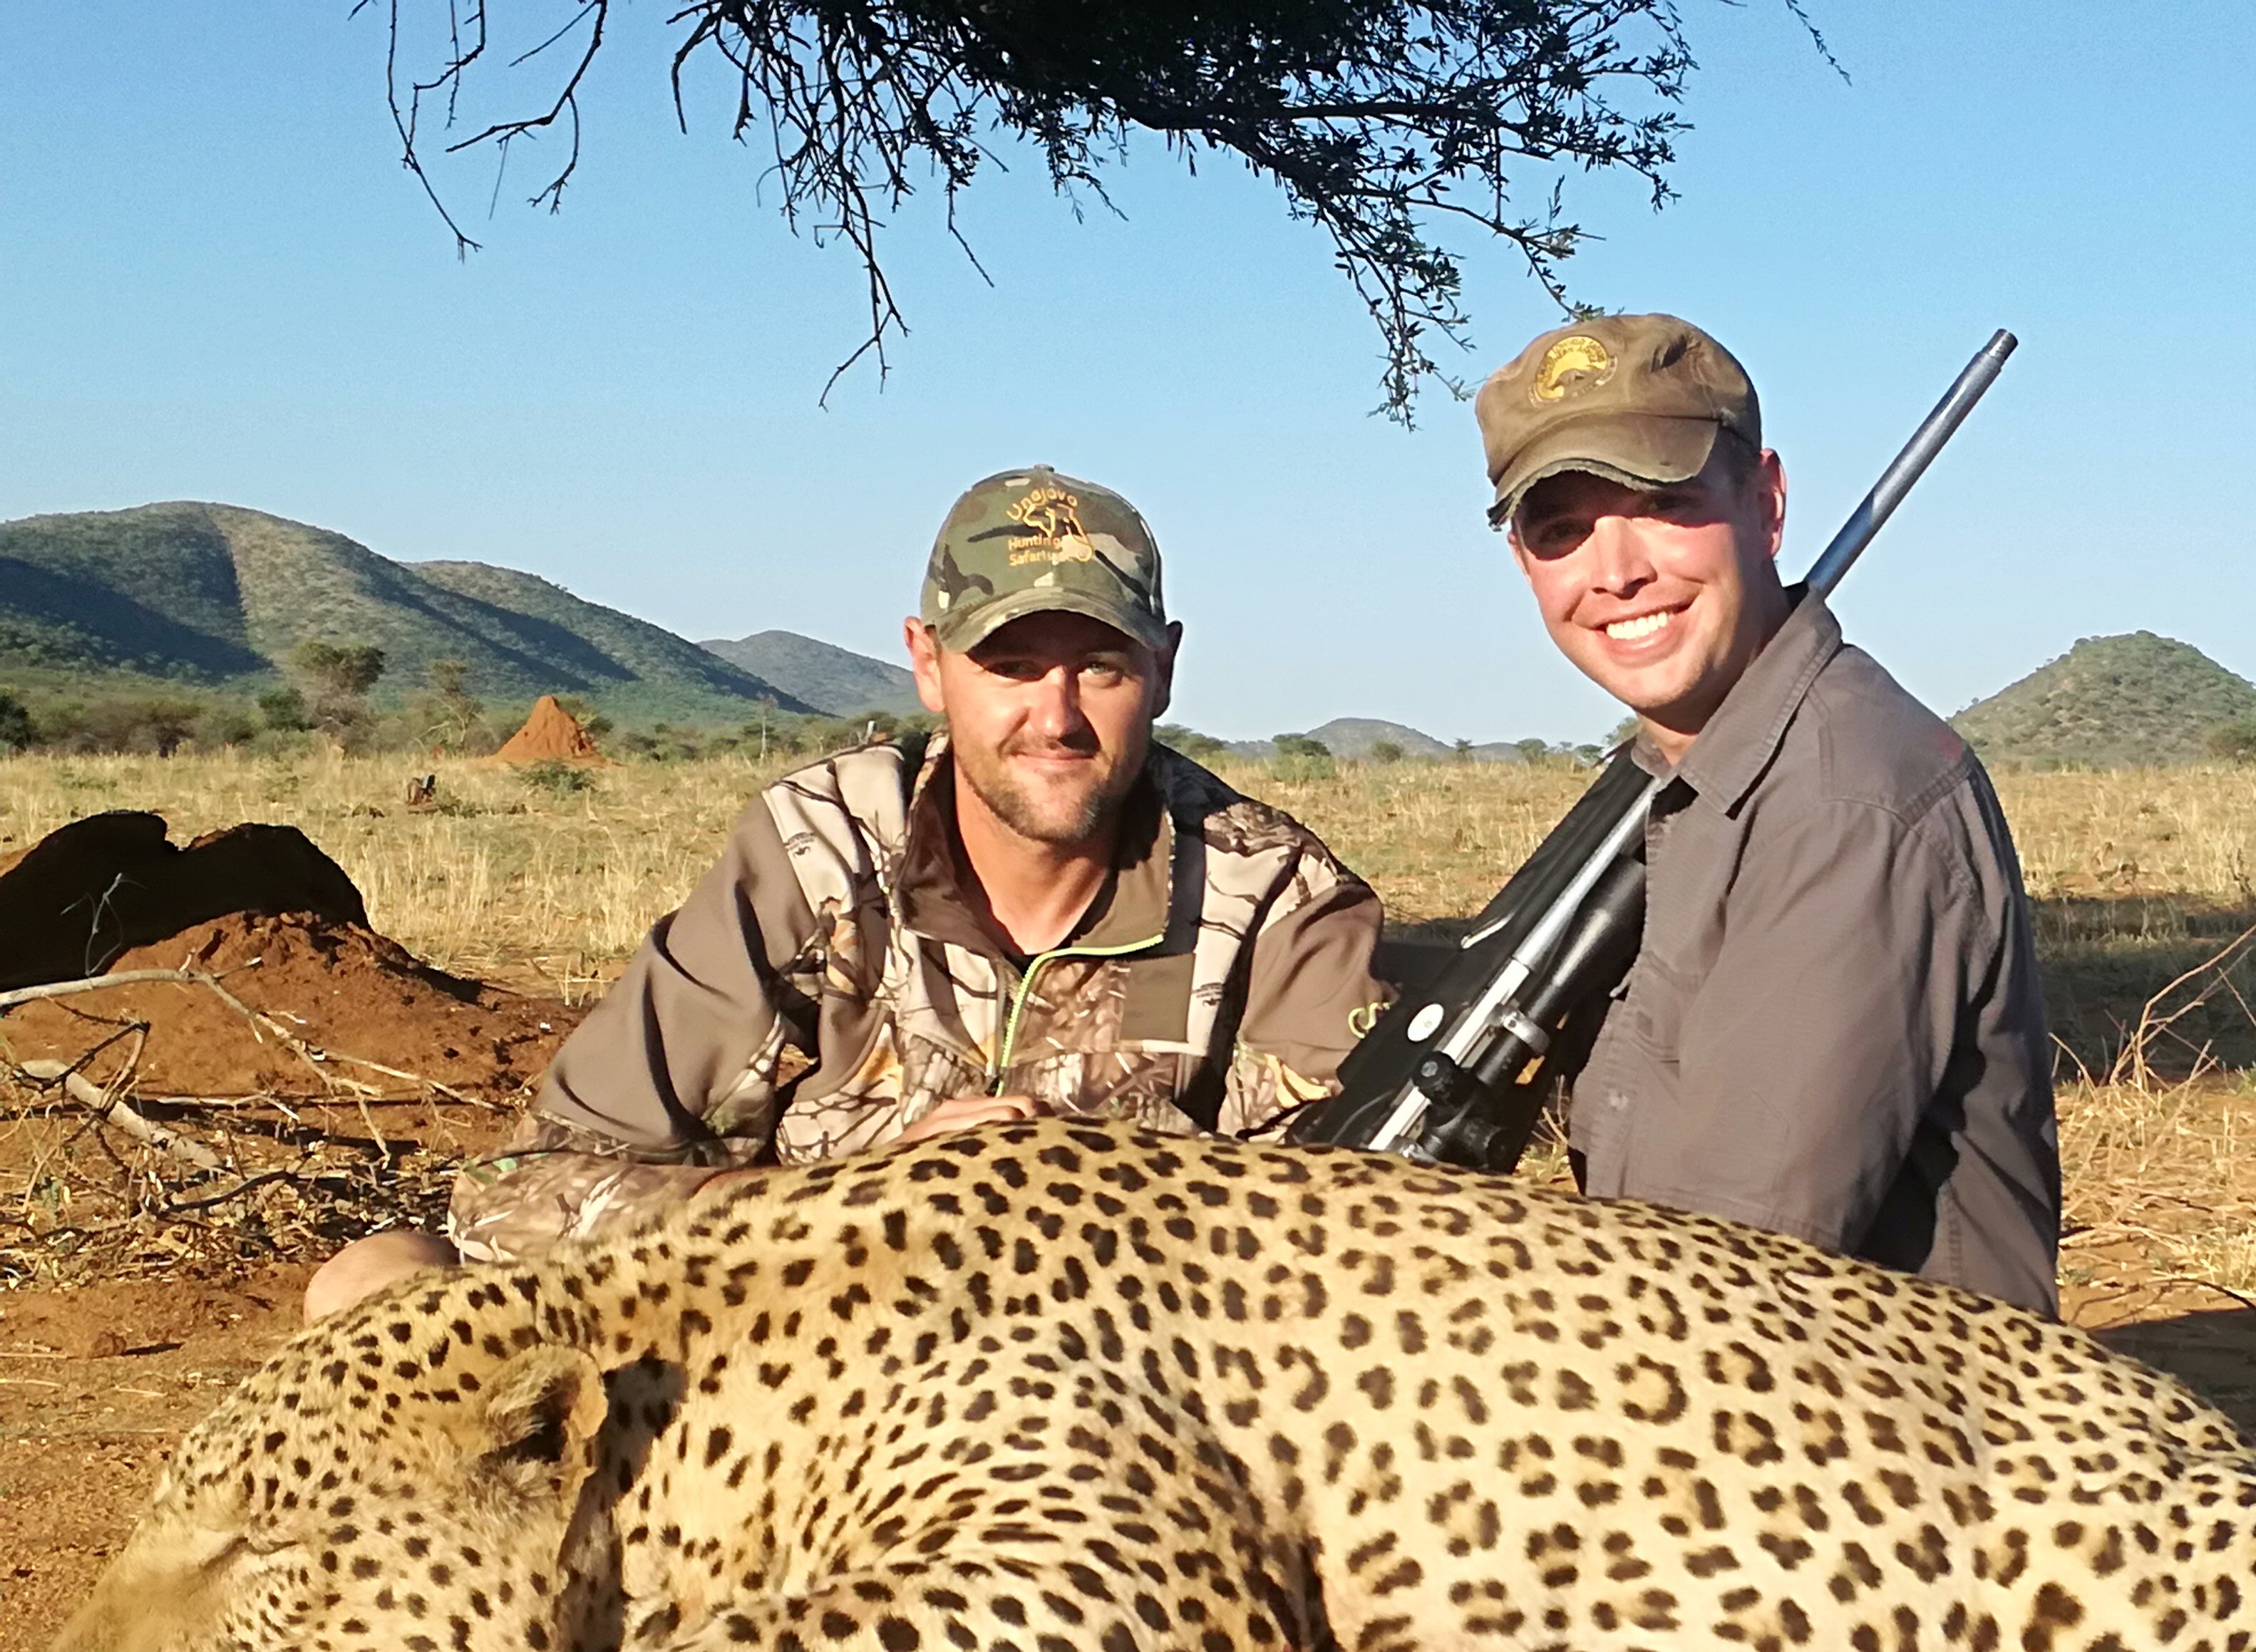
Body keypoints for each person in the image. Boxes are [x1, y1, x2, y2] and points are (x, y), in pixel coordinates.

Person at [307, 467, 1384, 1319]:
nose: (1055, 717)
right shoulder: (814, 852)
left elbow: (1343, 1253)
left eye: (1100, 666)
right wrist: (860, 1209)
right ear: (928, 664)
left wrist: (1062, 1197)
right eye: (1009, 665)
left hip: (1124, 1380)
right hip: (803, 1350)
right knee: (372, 1283)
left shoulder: (1273, 895)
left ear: (1165, 666)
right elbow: (521, 1195)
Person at [1475, 313, 2060, 1312]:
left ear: (1766, 503)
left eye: (1663, 501)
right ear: (1524, 562)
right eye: (1562, 528)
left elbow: (1716, 1285)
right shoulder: (1683, 775)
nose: (1616, 571)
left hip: (1863, 1432)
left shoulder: (1845, 803)